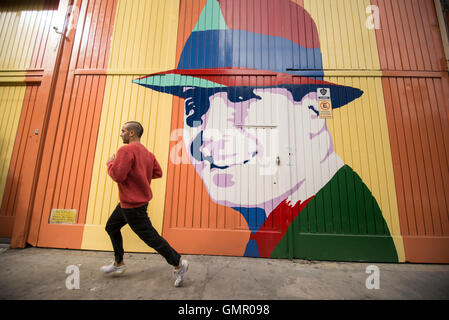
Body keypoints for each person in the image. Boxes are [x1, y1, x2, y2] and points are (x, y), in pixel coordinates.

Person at [133, 0, 398, 262]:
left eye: (240, 97)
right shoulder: (272, 231)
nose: (206, 140)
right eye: (194, 106)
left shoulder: (343, 227)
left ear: (312, 111)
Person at [100, 121, 189, 287]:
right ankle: (119, 263)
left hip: (133, 206)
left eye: (123, 131)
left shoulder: (125, 150)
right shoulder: (148, 154)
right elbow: (158, 172)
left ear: (132, 133)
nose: (121, 134)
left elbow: (117, 176)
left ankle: (178, 263)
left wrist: (110, 163)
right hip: (129, 203)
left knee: (151, 237)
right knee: (111, 227)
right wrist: (140, 176)